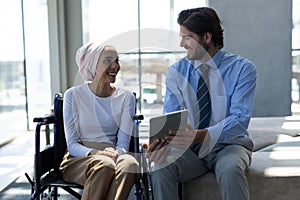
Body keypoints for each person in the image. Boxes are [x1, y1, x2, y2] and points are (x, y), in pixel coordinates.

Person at [146, 7, 257, 200]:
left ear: (206, 37)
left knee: (231, 169)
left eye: (187, 37)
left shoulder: (242, 69)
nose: (182, 44)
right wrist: (161, 144)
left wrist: (198, 136)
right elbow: (170, 119)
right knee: (160, 168)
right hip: (189, 151)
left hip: (228, 146)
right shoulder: (176, 72)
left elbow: (239, 121)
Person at [59, 42, 139, 200]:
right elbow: (73, 144)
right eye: (107, 61)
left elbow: (123, 144)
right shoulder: (73, 95)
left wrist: (115, 154)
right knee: (104, 164)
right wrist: (98, 153)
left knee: (130, 164)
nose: (115, 66)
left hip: (113, 154)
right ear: (92, 64)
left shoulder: (126, 98)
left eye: (117, 60)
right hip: (79, 158)